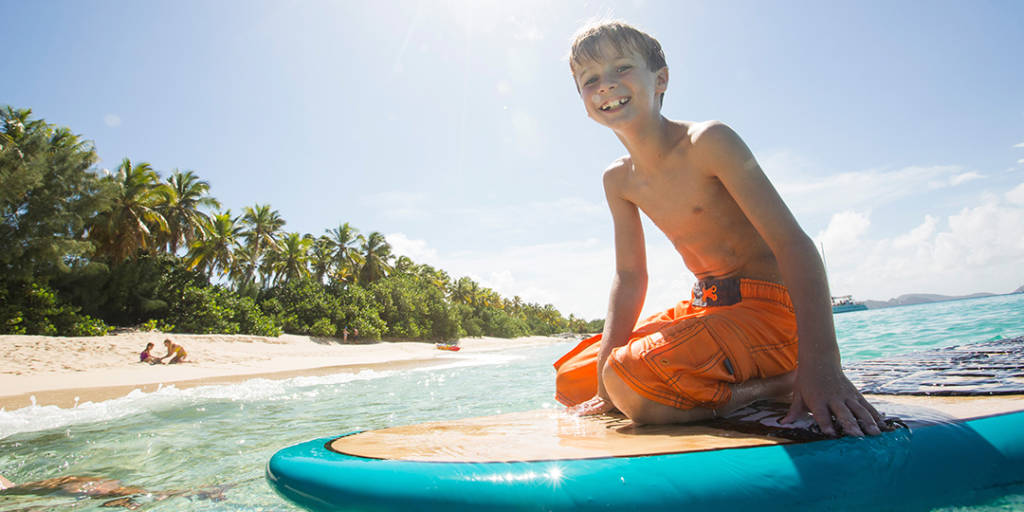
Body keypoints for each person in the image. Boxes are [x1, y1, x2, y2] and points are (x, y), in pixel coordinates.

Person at [554, 21, 882, 437]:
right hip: (707, 308)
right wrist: (603, 376)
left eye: (621, 68)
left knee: (629, 386)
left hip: (769, 312)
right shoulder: (617, 180)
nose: (606, 85)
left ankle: (784, 380)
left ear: (661, 80)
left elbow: (793, 243)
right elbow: (630, 275)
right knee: (575, 379)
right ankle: (644, 381)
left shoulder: (708, 142)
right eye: (590, 79)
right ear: (582, 101)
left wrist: (824, 367)